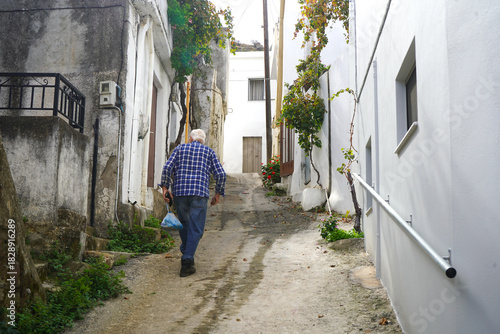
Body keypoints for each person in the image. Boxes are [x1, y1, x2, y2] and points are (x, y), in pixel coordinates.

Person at [160, 129, 226, 277]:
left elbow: (167, 168)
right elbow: (220, 174)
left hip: (180, 193)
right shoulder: (209, 152)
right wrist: (218, 193)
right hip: (199, 194)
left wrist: (165, 188)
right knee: (196, 228)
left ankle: (186, 250)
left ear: (190, 139)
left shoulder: (179, 149)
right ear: (203, 140)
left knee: (184, 223)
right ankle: (187, 260)